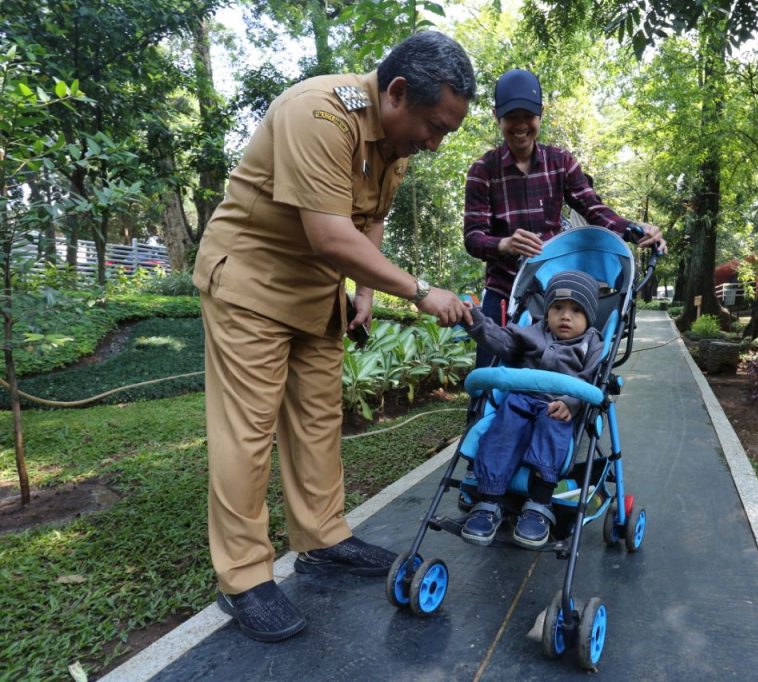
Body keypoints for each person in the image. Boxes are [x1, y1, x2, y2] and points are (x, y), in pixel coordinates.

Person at [191, 31, 475, 643]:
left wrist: (365, 292)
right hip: (252, 284)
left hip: (318, 294)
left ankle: (322, 540)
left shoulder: (395, 144)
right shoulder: (319, 113)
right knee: (248, 433)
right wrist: (421, 291)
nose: (435, 143)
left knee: (319, 422)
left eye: (445, 132)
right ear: (397, 92)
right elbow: (329, 234)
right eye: (434, 126)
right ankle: (242, 578)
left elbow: (368, 221)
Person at [463, 68, 666, 367]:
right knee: (489, 379)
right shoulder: (483, 170)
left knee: (557, 377)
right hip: (503, 291)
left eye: (528, 116)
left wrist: (636, 230)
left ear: (541, 114)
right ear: (497, 116)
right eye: (511, 117)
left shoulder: (560, 162)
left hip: (552, 297)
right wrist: (505, 244)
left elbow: (594, 210)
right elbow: (473, 237)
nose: (520, 125)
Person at [460, 271, 604, 549]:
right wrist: (473, 319)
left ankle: (539, 504)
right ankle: (489, 501)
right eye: (557, 308)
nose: (565, 316)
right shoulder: (532, 331)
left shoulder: (592, 343)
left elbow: (591, 379)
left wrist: (572, 402)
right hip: (521, 397)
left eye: (576, 310)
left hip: (558, 404)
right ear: (547, 310)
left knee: (552, 430)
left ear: (589, 316)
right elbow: (500, 340)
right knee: (502, 432)